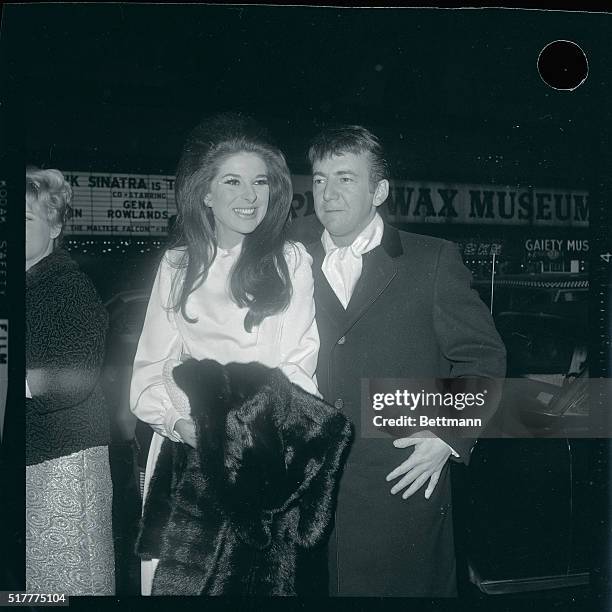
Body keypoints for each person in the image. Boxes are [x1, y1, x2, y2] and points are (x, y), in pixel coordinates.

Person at [305, 125, 507, 596]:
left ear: (379, 191)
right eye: (318, 179)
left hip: (401, 492)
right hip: (309, 501)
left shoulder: (431, 260)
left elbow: (484, 358)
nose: (328, 193)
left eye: (345, 178)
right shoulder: (293, 261)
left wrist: (447, 434)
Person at [130, 113, 320, 596]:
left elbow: (298, 365)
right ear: (206, 194)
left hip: (257, 460)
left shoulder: (291, 261)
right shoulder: (177, 266)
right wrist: (180, 425)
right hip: (182, 454)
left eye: (260, 182)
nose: (249, 196)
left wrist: (251, 438)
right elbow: (150, 370)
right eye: (232, 181)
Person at [25, 167, 115, 595]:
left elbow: (74, 374)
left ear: (55, 226)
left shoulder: (69, 287)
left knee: (65, 585)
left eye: (25, 219)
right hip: (30, 458)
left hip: (62, 464)